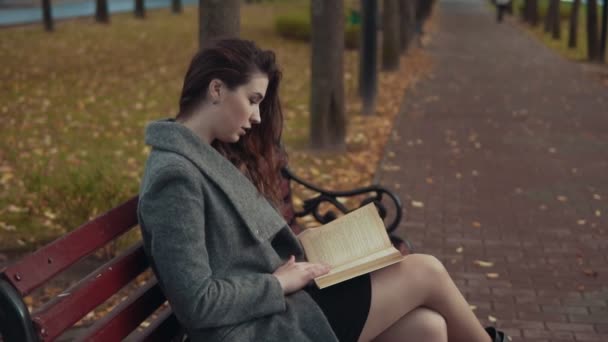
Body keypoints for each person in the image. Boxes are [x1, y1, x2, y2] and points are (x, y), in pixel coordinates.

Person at [137, 38, 507, 342]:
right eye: (252, 100)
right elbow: (196, 302)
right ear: (216, 89)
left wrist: (306, 247)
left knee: (428, 329)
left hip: (279, 306)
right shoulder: (175, 176)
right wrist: (278, 282)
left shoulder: (204, 156)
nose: (257, 117)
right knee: (426, 271)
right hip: (256, 327)